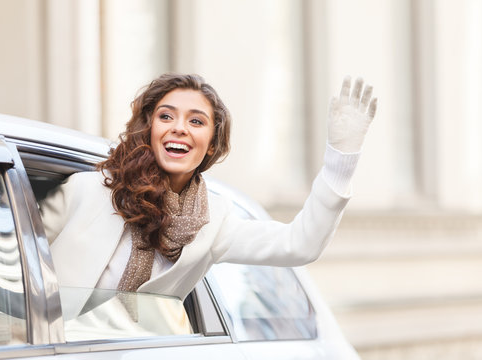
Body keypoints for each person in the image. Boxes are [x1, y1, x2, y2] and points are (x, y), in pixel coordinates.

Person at [40, 73, 377, 301]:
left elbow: (299, 245)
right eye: (166, 116)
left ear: (211, 145)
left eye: (196, 121)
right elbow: (11, 264)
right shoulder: (85, 191)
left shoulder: (215, 222)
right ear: (148, 128)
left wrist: (340, 159)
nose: (180, 129)